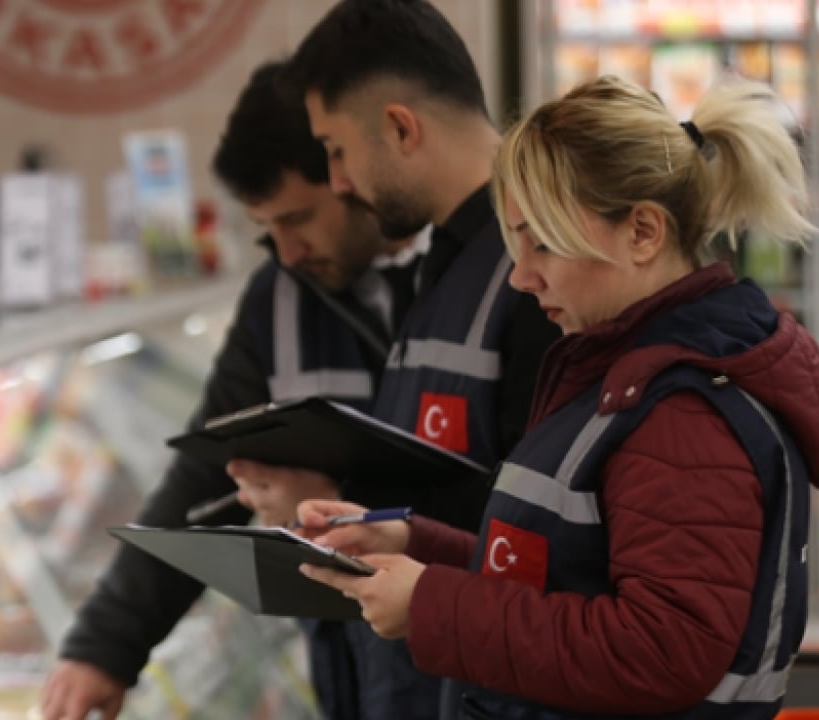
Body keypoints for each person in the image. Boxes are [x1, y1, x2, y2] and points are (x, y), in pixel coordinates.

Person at [299, 75, 819, 720]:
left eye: (544, 243)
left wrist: (432, 605)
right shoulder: (619, 371)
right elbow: (562, 571)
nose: (523, 277)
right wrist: (415, 546)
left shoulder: (684, 414)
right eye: (514, 243)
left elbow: (660, 650)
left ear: (642, 232)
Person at [39, 60, 411, 720]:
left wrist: (341, 507)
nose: (288, 251)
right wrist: (105, 647)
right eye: (269, 230)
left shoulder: (486, 278)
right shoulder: (281, 297)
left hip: (460, 657)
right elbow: (207, 473)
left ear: (350, 172)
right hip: (348, 662)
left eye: (300, 218)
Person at [226, 1, 559, 717]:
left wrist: (362, 510)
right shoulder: (449, 263)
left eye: (337, 150)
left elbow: (545, 537)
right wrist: (351, 513)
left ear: (401, 127)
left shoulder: (537, 276)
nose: (338, 182)